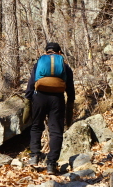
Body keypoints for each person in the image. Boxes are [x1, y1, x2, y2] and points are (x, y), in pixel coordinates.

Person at [25, 42, 75, 174]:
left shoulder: (39, 63)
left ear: (46, 52)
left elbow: (31, 83)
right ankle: (51, 164)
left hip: (39, 97)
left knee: (36, 126)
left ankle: (34, 156)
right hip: (57, 99)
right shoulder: (65, 66)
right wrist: (70, 102)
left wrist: (28, 99)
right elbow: (70, 87)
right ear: (59, 52)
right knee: (56, 131)